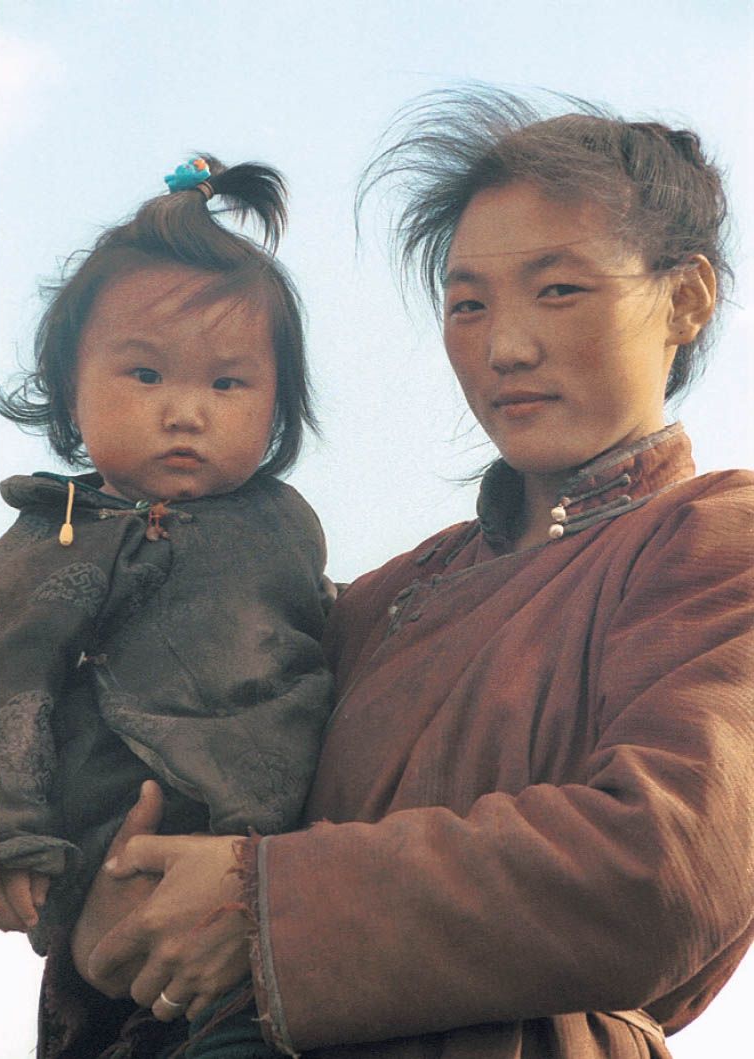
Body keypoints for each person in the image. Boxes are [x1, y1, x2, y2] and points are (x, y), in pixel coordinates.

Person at [67, 88, 754, 1058]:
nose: (504, 347)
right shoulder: (383, 595)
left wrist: (263, 908)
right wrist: (99, 907)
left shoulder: (713, 537)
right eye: (466, 304)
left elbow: (663, 866)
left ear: (682, 299)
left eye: (557, 291)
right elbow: (210, 773)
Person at [0, 155, 334, 1058]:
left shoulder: (285, 527)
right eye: (145, 376)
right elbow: (4, 686)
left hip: (276, 885)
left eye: (228, 385)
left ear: (277, 407)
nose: (186, 411)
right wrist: (7, 840)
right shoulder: (53, 534)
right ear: (70, 389)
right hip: (114, 864)